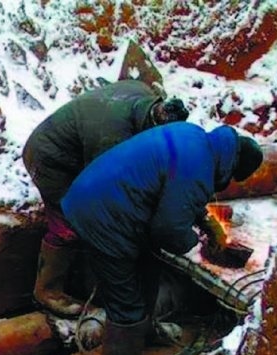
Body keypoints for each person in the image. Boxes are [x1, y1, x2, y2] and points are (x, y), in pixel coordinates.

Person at [60, 122, 264, 355]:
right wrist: (197, 245)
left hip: (96, 195)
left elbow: (174, 191)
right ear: (231, 168)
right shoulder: (200, 169)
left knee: (149, 268)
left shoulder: (195, 138)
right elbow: (167, 230)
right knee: (126, 306)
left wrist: (204, 221)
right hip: (102, 216)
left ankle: (145, 332)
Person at [22, 79, 189, 317]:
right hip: (49, 158)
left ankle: (84, 281)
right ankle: (48, 291)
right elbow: (100, 190)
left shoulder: (144, 94)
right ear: (152, 124)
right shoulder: (111, 135)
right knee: (69, 223)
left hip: (77, 148)